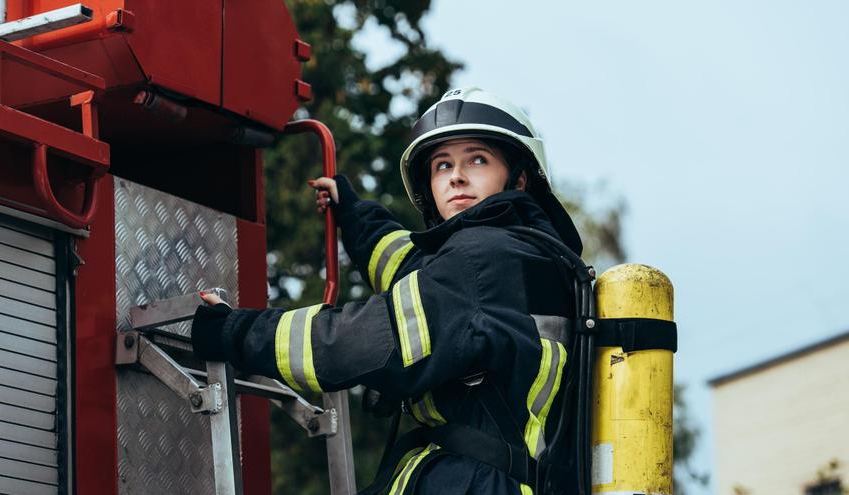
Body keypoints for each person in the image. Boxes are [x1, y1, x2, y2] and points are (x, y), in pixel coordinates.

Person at [192, 87, 583, 495]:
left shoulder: (483, 258)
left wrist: (233, 331)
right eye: (442, 165)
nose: (456, 176)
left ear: (518, 179)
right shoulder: (525, 257)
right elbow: (413, 270)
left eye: (478, 160)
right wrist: (356, 216)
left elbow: (359, 342)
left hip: (471, 483)